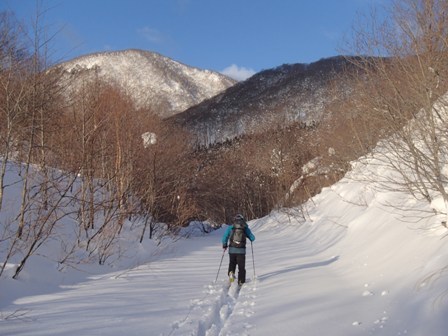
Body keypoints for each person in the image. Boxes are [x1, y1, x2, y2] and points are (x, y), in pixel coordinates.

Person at [221, 214, 255, 285]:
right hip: (241, 251)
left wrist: (224, 244)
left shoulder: (230, 227)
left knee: (232, 263)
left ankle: (231, 273)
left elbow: (225, 237)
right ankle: (241, 281)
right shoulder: (245, 228)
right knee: (241, 266)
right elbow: (252, 238)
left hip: (232, 250)